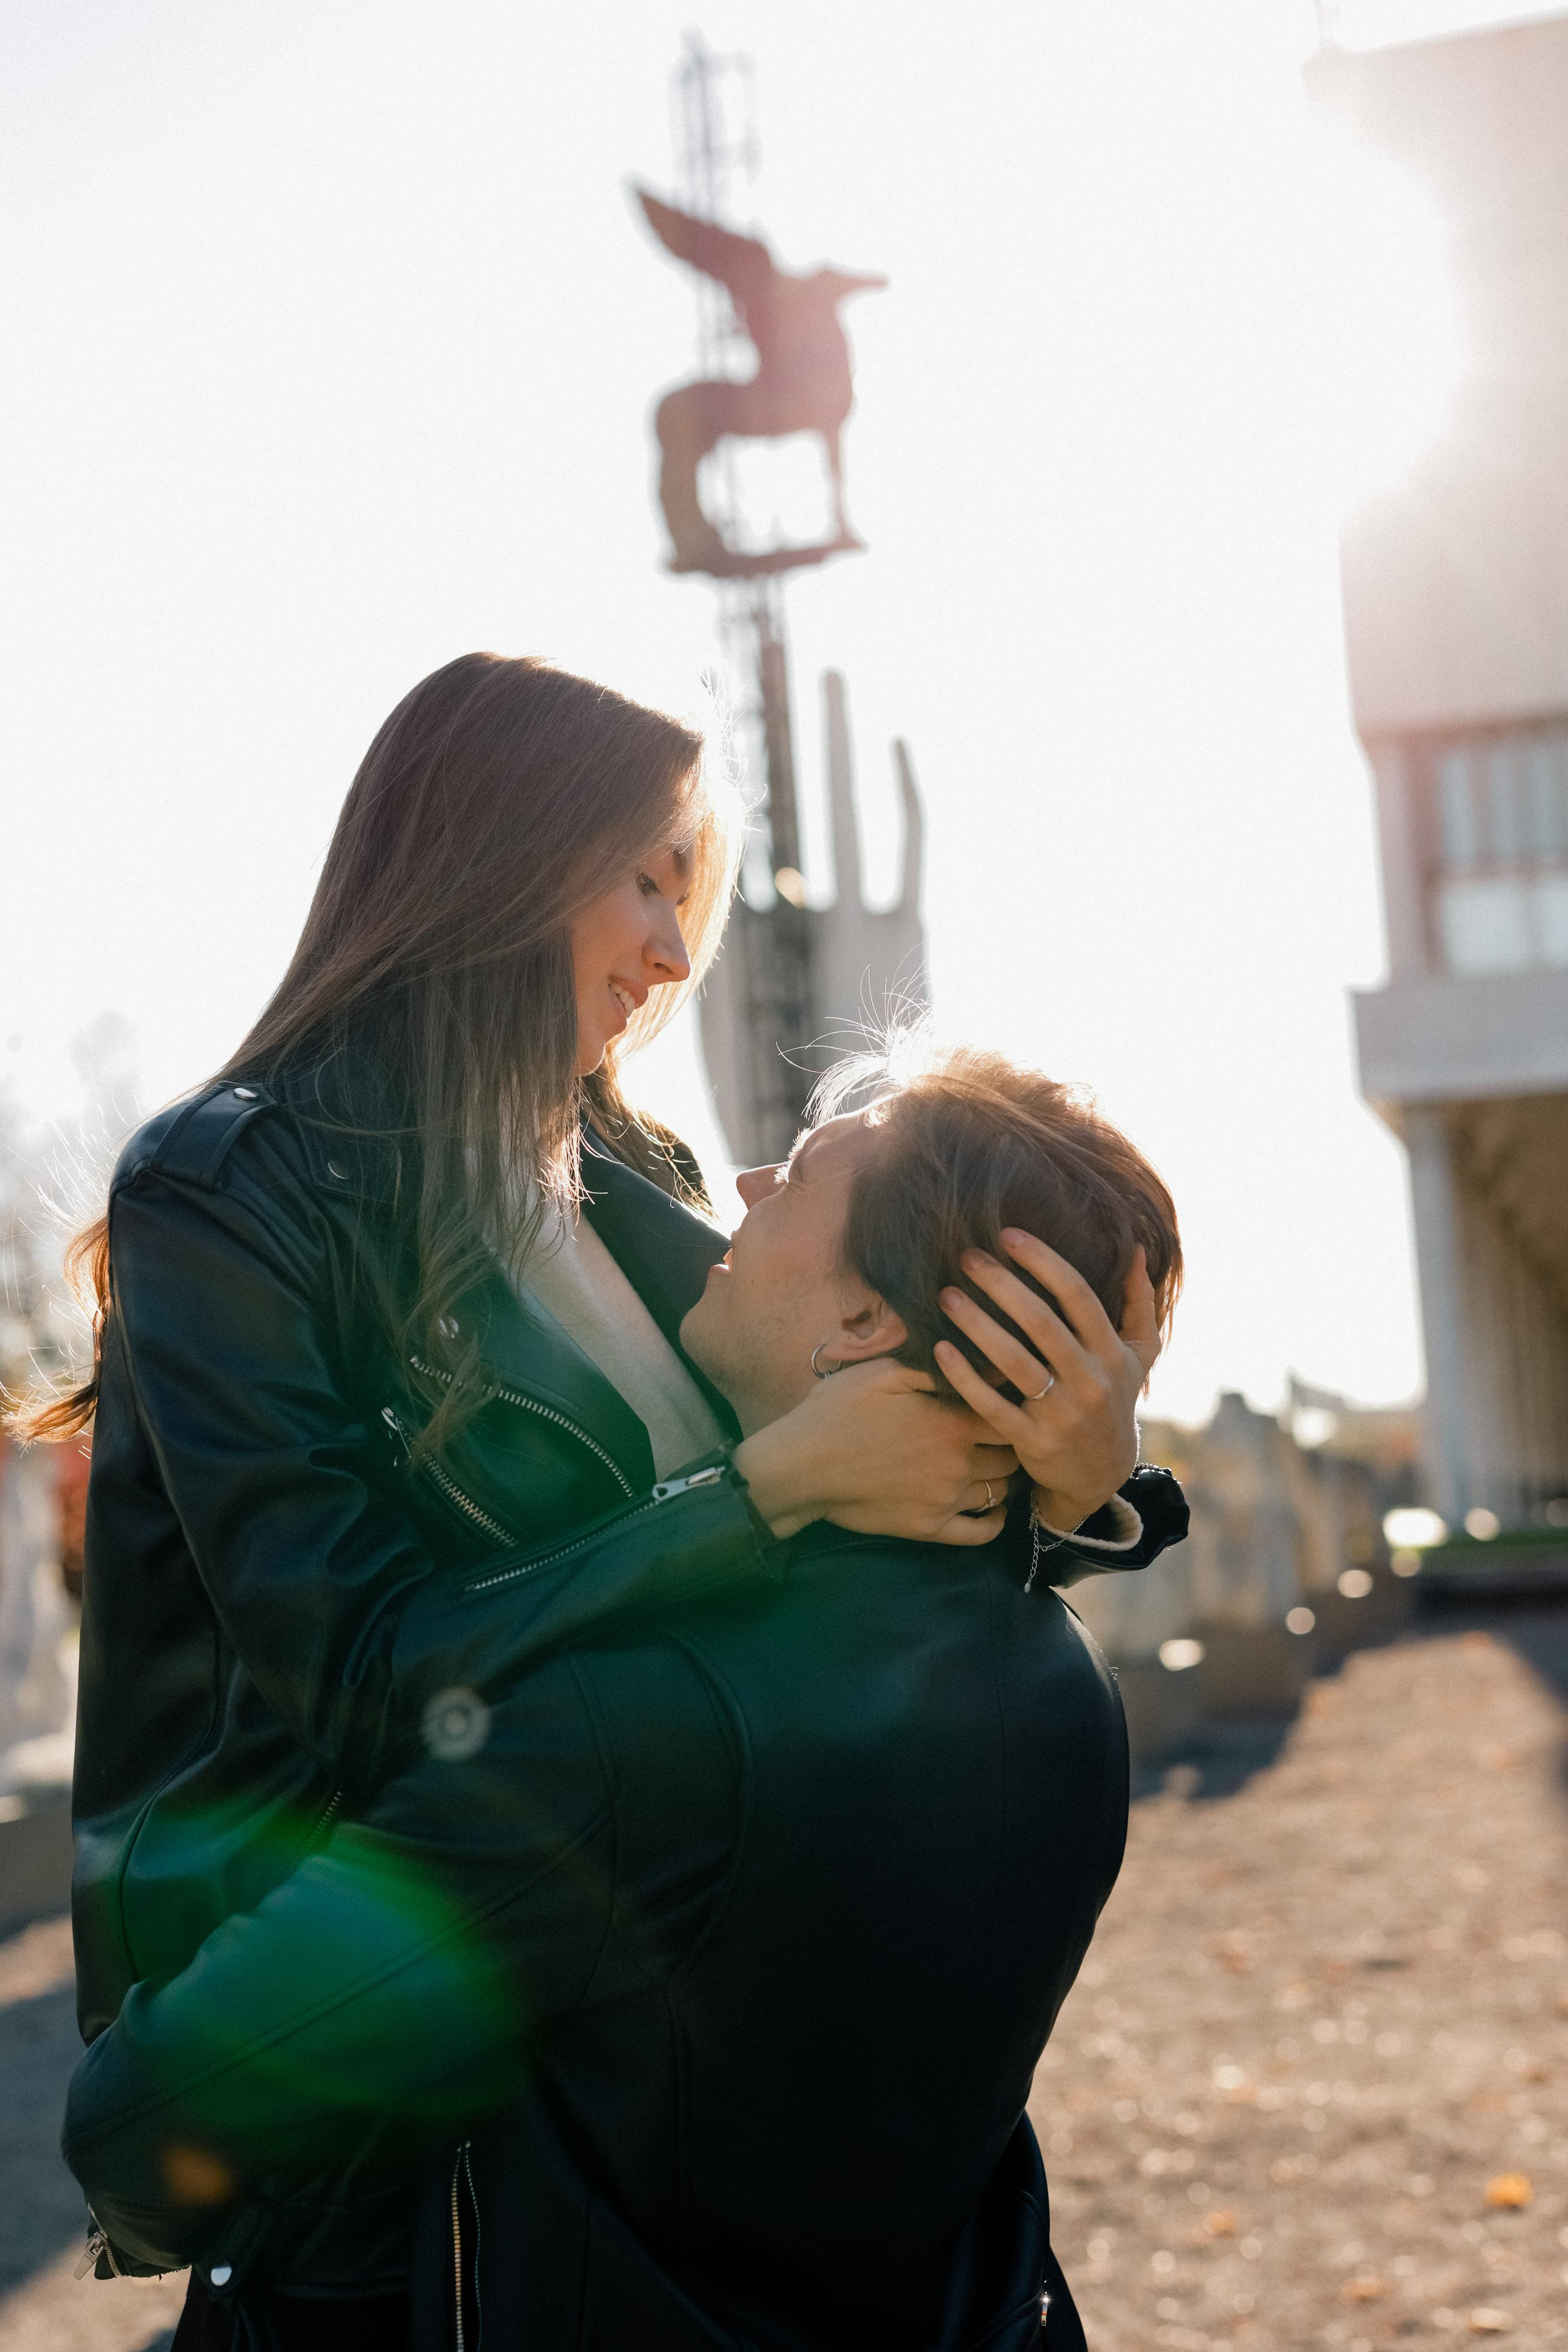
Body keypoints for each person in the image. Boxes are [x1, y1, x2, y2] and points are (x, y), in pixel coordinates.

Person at [9, 655, 1183, 2332]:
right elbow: (354, 1681)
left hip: (640, 2063)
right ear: (488, 849)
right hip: (370, 2068)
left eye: (686, 889)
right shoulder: (233, 1193)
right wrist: (753, 1499)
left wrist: (1088, 1482)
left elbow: (868, 1425)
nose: (673, 942)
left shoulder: (640, 1182)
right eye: (644, 875)